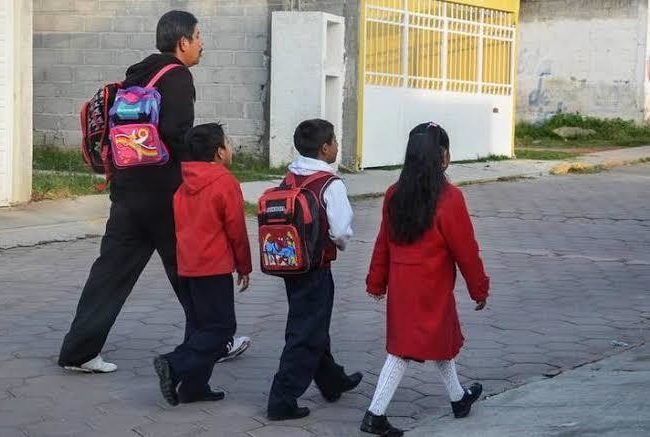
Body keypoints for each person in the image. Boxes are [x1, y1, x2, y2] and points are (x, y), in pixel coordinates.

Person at [58, 10, 249, 373]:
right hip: (166, 194)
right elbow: (177, 135)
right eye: (198, 36)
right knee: (189, 269)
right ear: (183, 43)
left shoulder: (138, 73)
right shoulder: (178, 77)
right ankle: (214, 340)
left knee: (110, 273)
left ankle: (78, 352)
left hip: (128, 190)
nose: (202, 43)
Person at [360, 122, 490, 436]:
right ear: (442, 156)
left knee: (438, 343)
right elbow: (466, 250)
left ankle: (459, 399)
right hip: (432, 288)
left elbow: (383, 243)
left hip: (404, 287)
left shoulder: (394, 194)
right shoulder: (450, 198)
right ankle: (374, 415)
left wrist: (376, 282)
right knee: (403, 351)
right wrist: (479, 288)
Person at [266, 119, 363, 421]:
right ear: (325, 148)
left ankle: (332, 380)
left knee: (311, 322)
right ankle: (282, 399)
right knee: (305, 331)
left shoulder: (291, 176)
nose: (336, 146)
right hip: (316, 267)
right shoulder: (330, 184)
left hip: (291, 263)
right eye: (334, 141)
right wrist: (340, 244)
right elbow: (341, 231)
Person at [153, 123, 252, 405]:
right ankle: (173, 364)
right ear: (219, 152)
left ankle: (194, 387)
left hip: (187, 265)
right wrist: (244, 266)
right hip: (214, 267)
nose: (230, 148)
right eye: (228, 143)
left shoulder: (184, 185)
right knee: (221, 330)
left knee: (198, 327)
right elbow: (236, 229)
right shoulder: (225, 182)